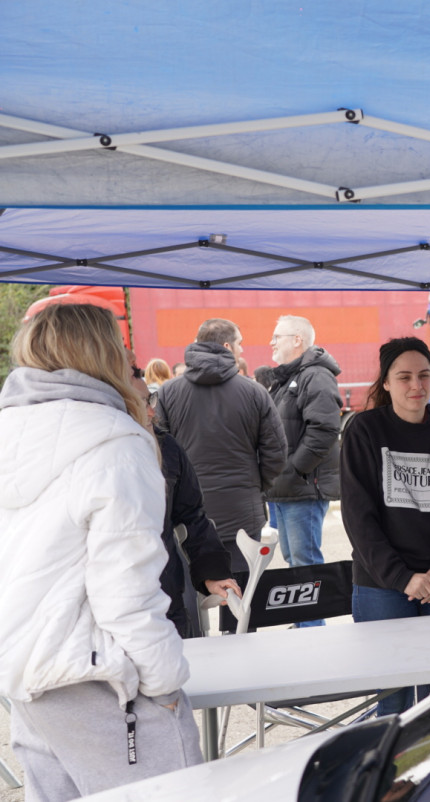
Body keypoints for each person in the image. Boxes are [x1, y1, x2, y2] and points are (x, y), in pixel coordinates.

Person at [0, 304, 202, 799]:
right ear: (102, 352)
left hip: (28, 676)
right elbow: (126, 591)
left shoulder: (10, 432)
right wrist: (165, 684)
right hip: (100, 678)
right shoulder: (117, 443)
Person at [340, 338, 430, 715]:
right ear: (386, 383)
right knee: (393, 700)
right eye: (404, 377)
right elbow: (358, 518)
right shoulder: (364, 430)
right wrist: (403, 578)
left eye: (424, 375)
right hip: (382, 586)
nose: (416, 385)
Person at [156, 318, 287, 572]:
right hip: (242, 513)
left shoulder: (167, 393)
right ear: (227, 346)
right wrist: (254, 485)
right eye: (240, 343)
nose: (242, 349)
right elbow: (277, 454)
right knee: (242, 591)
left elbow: (159, 455)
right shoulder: (255, 392)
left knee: (192, 589)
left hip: (187, 515)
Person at [130, 373, 241, 638]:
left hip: (167, 597)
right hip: (115, 608)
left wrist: (212, 573)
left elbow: (192, 516)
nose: (152, 411)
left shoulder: (167, 447)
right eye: (141, 402)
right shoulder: (88, 454)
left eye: (150, 399)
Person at [265, 316, 342, 605]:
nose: (271, 342)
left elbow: (324, 430)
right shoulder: (287, 379)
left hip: (303, 488)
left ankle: (311, 625)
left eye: (277, 336)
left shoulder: (315, 376)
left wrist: (295, 470)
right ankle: (301, 622)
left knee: (305, 564)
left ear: (297, 340)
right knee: (293, 562)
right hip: (286, 488)